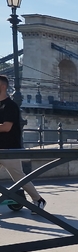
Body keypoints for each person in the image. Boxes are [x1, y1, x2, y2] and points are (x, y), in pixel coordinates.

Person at [0, 75, 46, 213]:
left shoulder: (11, 106)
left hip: (9, 149)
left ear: (2, 87)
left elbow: (6, 127)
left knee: (18, 177)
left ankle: (38, 200)